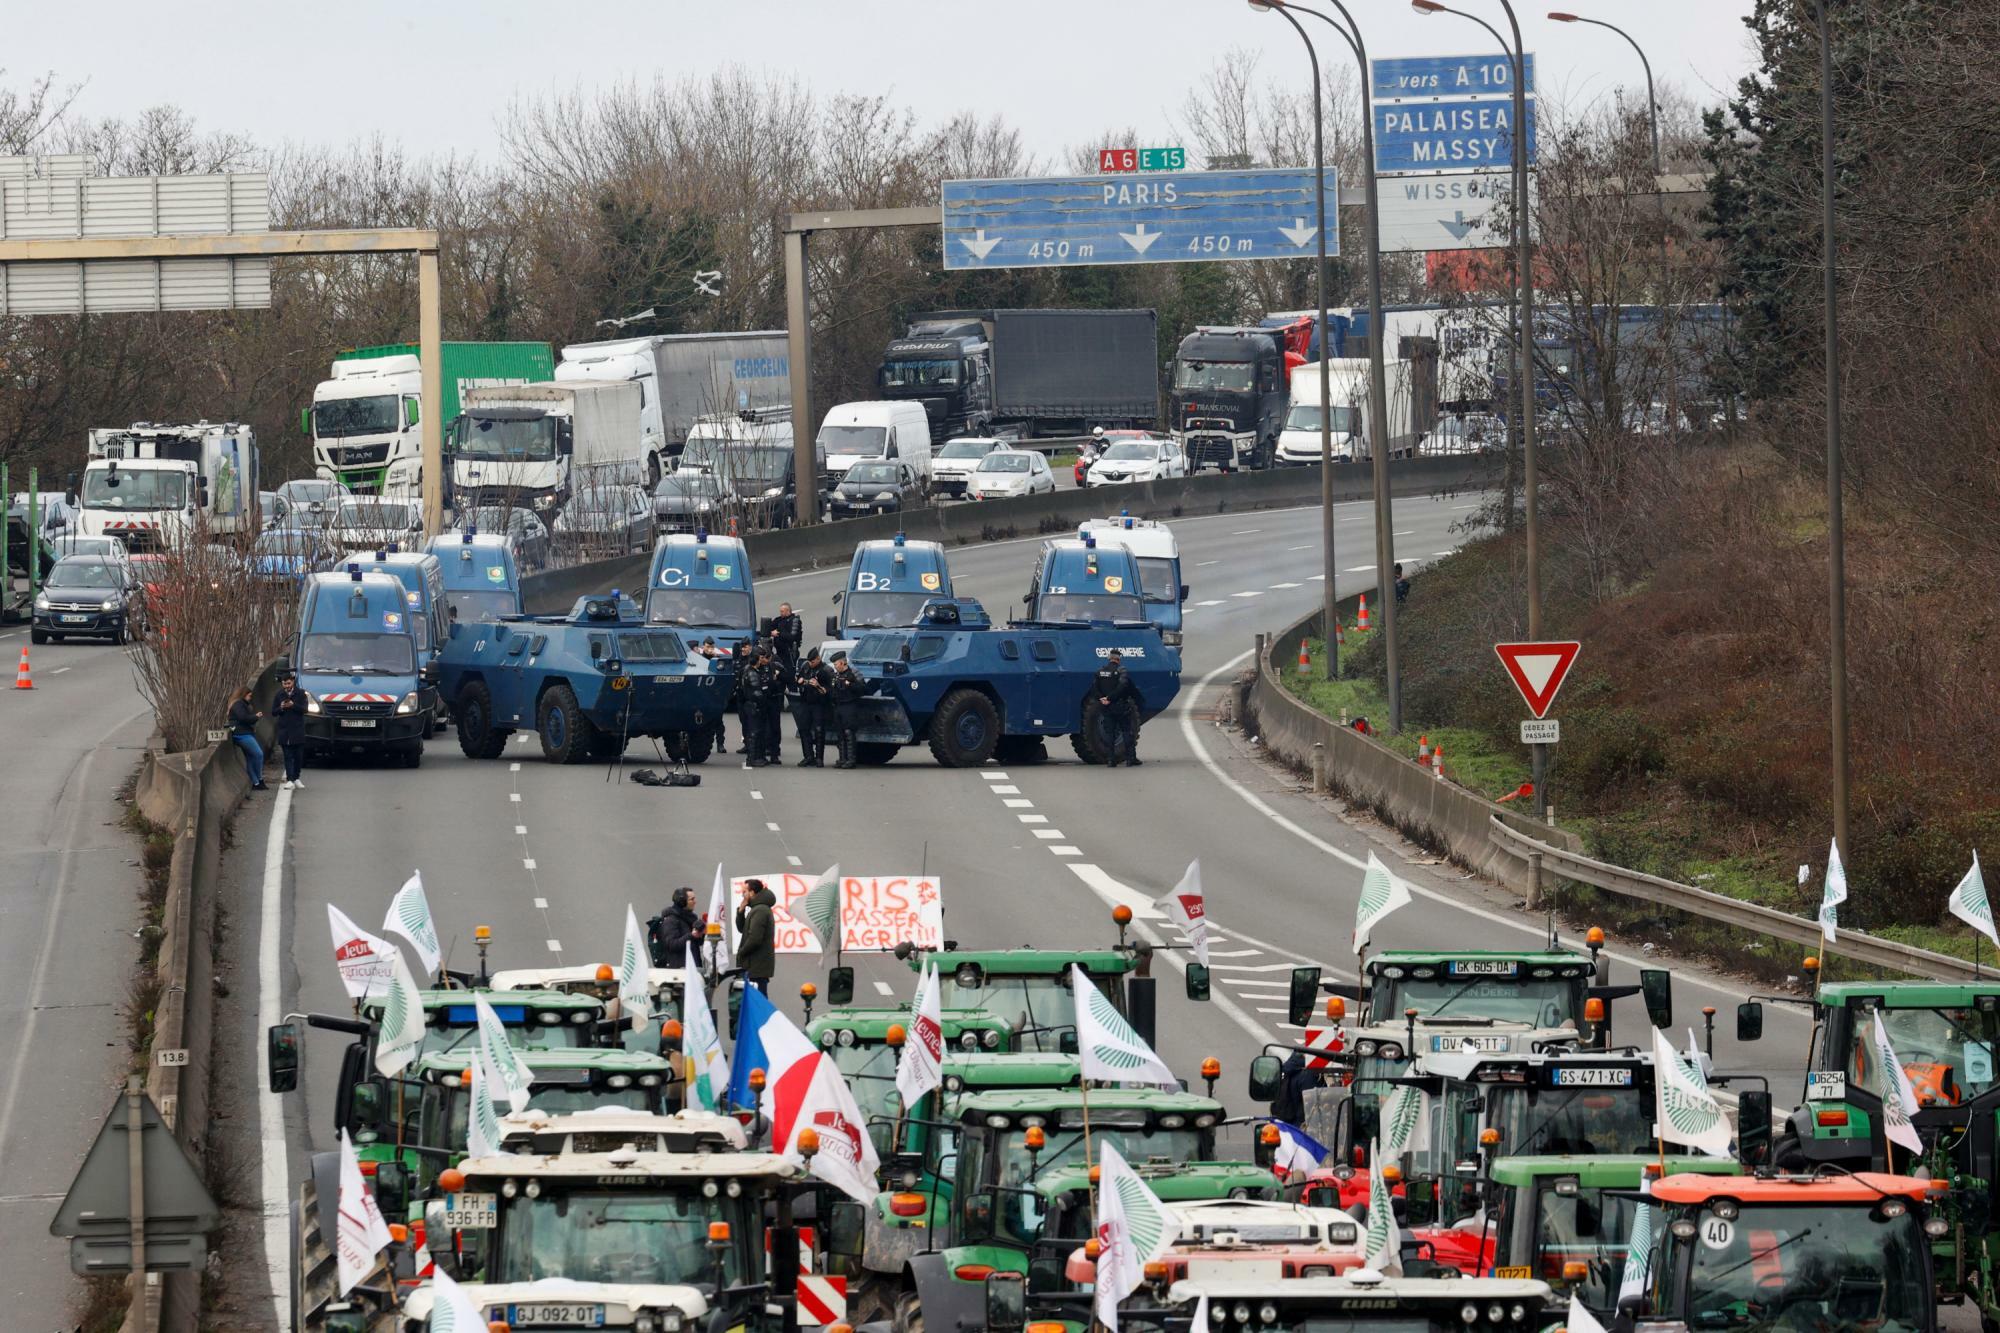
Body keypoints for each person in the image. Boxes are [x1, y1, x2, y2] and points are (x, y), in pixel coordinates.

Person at [1090, 648, 1142, 767]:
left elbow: (1094, 688)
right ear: (1118, 659)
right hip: (1120, 706)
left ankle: (1110, 760)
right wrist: (1110, 698)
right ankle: (1131, 758)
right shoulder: (1121, 671)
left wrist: (1102, 698)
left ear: (1109, 658)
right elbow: (1123, 687)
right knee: (1126, 732)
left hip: (1106, 707)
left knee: (1110, 734)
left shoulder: (1100, 672)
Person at [735, 878, 777, 993]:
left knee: (758, 1004)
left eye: (744, 892)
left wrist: (741, 953)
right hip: (754, 967)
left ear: (752, 892)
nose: (742, 895)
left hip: (756, 968)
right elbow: (742, 929)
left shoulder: (760, 910)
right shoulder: (756, 908)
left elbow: (755, 939)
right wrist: (741, 911)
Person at [271, 670, 312, 790]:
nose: (287, 686)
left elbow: (305, 709)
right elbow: (273, 712)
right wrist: (281, 707)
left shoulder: (300, 694)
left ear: (293, 682)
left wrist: (293, 705)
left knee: (298, 756)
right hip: (284, 730)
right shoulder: (279, 695)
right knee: (288, 756)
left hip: (297, 729)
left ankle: (296, 777)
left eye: (288, 683)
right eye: (284, 684)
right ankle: (290, 779)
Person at [828, 651, 866, 769]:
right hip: (838, 706)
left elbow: (862, 689)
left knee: (849, 733)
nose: (835, 667)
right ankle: (842, 759)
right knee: (840, 734)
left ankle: (851, 759)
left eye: (836, 664)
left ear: (842, 663)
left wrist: (850, 684)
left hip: (849, 706)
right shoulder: (836, 675)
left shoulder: (853, 674)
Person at [794, 646, 831, 767]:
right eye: (809, 661)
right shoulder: (805, 666)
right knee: (804, 729)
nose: (811, 663)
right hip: (806, 702)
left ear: (818, 659)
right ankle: (808, 756)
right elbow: (798, 677)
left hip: (819, 704)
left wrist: (818, 685)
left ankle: (819, 757)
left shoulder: (825, 670)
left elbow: (829, 689)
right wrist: (800, 681)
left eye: (813, 661)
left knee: (819, 731)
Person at [227, 685, 267, 790]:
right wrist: (256, 717)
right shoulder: (238, 704)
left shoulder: (241, 704)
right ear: (243, 695)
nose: (250, 698)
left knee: (250, 758)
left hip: (243, 732)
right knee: (258, 754)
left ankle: (256, 783)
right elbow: (243, 718)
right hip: (241, 734)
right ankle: (259, 779)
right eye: (249, 696)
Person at [648, 887, 700, 968]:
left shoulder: (690, 918)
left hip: (692, 968)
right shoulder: (671, 920)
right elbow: (672, 945)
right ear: (682, 902)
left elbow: (696, 943)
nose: (695, 902)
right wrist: (691, 935)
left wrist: (702, 934)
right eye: (692, 899)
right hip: (679, 971)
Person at [770, 602, 803, 671]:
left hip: (789, 653)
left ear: (788, 611)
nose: (780, 613)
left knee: (789, 670)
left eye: (782, 611)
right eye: (780, 611)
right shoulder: (778, 620)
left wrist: (778, 633)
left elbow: (792, 637)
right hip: (779, 652)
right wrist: (771, 633)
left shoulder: (795, 621)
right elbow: (769, 628)